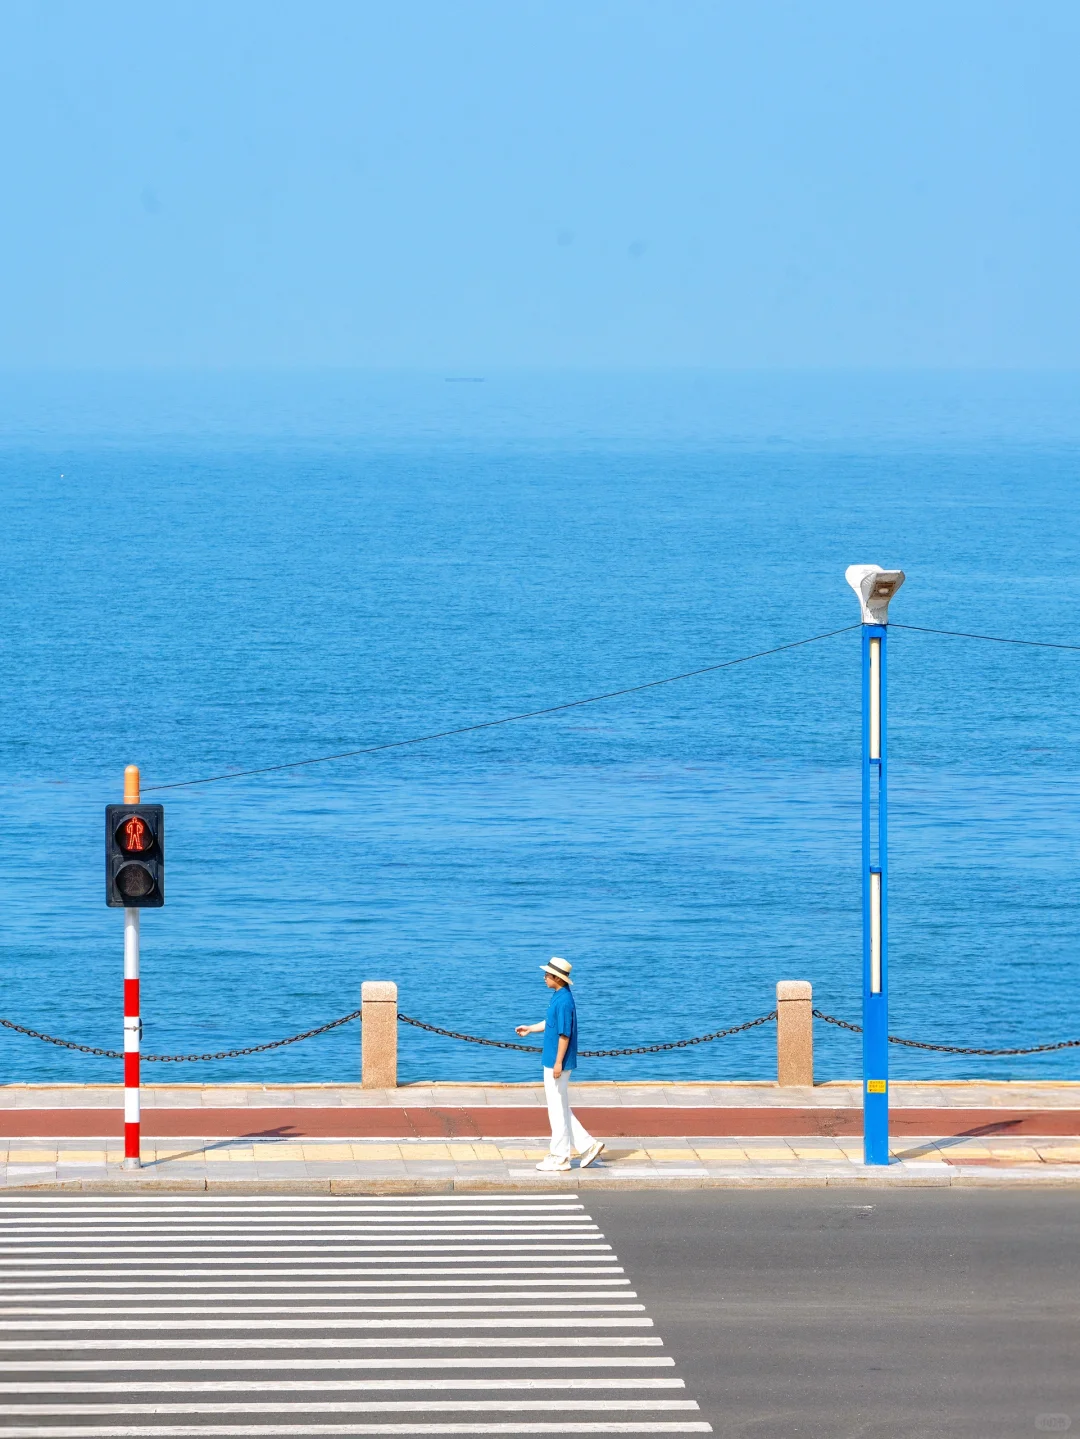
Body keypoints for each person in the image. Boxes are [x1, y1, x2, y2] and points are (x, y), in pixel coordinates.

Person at [516, 956, 605, 1173]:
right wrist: (530, 1028)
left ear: (557, 978)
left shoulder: (564, 1001)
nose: (544, 977)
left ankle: (560, 1156)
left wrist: (558, 1063)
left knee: (556, 1110)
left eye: (547, 974)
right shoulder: (558, 997)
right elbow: (551, 1024)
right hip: (552, 1060)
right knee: (561, 1107)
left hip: (557, 1062)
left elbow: (564, 1034)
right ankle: (588, 1145)